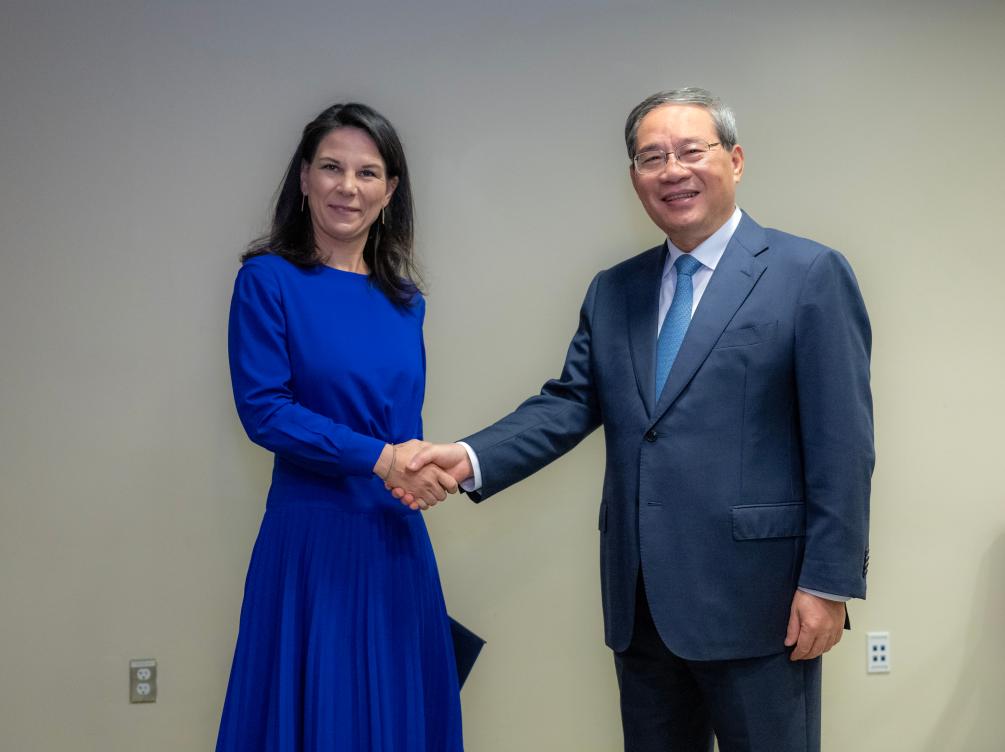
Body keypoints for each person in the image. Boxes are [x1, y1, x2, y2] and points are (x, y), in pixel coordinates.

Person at [396, 88, 873, 751]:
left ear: (734, 160)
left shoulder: (807, 274)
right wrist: (468, 457)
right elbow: (568, 403)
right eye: (651, 157)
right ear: (635, 180)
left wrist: (828, 582)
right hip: (640, 601)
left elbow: (841, 443)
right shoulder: (613, 289)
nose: (671, 170)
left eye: (689, 151)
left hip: (760, 604)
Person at [217, 102, 463, 752]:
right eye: (330, 167)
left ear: (390, 190)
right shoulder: (266, 280)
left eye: (367, 172)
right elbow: (265, 411)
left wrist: (419, 471)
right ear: (303, 179)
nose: (347, 187)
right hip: (311, 540)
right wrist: (383, 460)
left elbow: (400, 426)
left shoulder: (406, 303)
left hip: (395, 538)